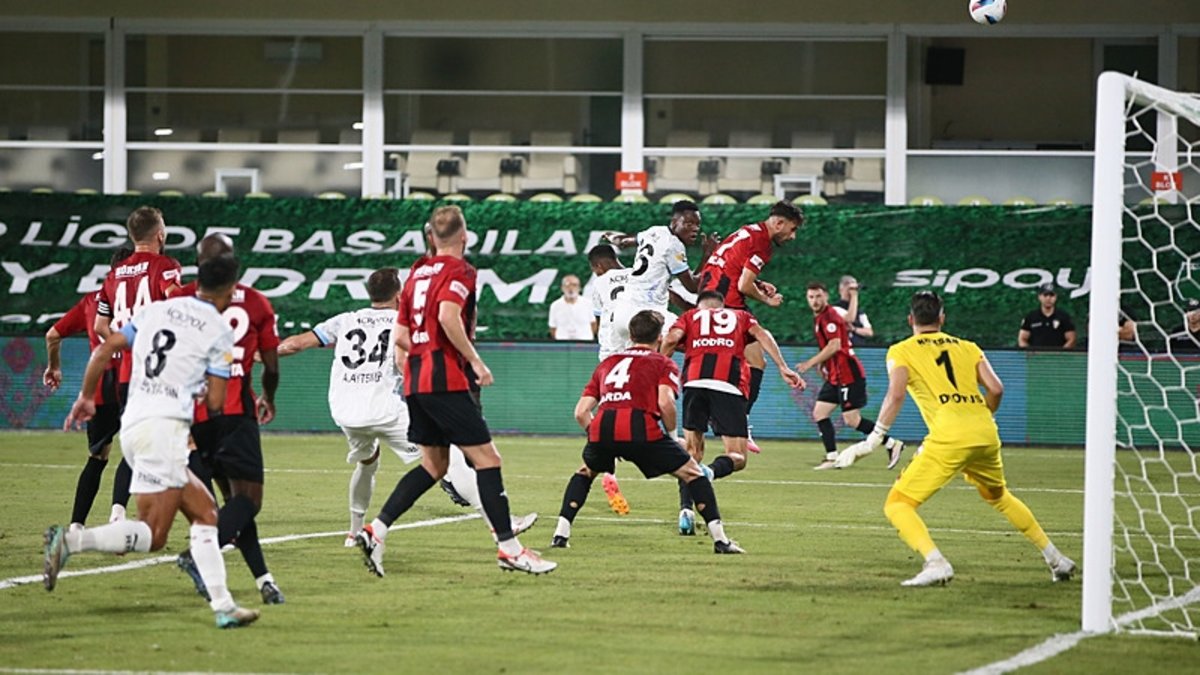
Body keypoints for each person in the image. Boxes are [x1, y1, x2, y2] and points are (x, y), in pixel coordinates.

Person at [47, 253, 260, 628]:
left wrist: (84, 397)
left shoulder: (156, 312)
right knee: (155, 533)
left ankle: (224, 606)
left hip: (134, 425)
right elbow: (214, 401)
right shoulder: (219, 329)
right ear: (230, 288)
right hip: (165, 430)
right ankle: (71, 542)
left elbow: (103, 349)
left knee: (206, 514)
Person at [355, 205, 555, 576]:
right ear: (464, 236)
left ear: (431, 236)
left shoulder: (414, 276)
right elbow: (448, 316)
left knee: (433, 465)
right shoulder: (460, 270)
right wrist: (475, 362)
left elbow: (400, 336)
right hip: (444, 379)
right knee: (487, 460)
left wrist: (416, 365)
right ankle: (510, 549)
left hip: (416, 381)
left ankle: (375, 530)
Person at [276, 266, 535, 546]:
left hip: (344, 411)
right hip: (384, 409)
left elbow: (293, 345)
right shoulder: (405, 321)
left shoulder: (345, 320)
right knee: (450, 460)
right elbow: (411, 357)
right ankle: (502, 525)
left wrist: (262, 354)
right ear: (400, 296)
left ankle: (353, 532)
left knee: (367, 463)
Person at [855, 290, 1076, 586]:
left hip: (949, 435)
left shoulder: (901, 350)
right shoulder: (969, 347)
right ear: (942, 319)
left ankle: (936, 562)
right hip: (984, 430)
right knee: (999, 496)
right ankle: (1056, 559)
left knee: (897, 504)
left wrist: (876, 435)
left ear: (911, 319)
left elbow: (895, 395)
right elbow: (996, 389)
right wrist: (982, 416)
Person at [550, 309, 744, 554]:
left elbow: (580, 412)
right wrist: (672, 439)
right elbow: (665, 403)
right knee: (694, 473)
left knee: (586, 472)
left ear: (631, 335)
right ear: (660, 337)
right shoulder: (663, 363)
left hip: (602, 428)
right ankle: (721, 541)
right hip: (641, 429)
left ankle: (560, 534)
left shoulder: (607, 363)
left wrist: (600, 435)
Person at [174, 234, 284, 606]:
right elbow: (270, 364)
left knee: (233, 502)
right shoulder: (254, 301)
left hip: (193, 416)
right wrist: (267, 397)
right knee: (249, 499)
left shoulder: (178, 301)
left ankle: (265, 580)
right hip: (234, 412)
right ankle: (198, 557)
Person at [660, 290, 804, 535]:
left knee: (692, 452)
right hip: (727, 387)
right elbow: (763, 335)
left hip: (694, 384)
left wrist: (658, 369)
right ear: (722, 306)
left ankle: (686, 510)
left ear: (700, 306)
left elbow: (672, 339)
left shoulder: (690, 317)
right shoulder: (740, 316)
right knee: (737, 457)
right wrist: (783, 366)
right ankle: (710, 472)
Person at [93, 206, 183, 522]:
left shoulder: (114, 274)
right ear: (160, 234)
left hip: (126, 372)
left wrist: (124, 342)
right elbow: (174, 301)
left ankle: (120, 512)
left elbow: (100, 326)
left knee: (139, 443)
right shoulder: (166, 266)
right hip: (157, 371)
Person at [697, 200, 804, 452]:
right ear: (778, 223)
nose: (792, 235)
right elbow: (744, 285)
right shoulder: (762, 243)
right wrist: (767, 299)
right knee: (757, 361)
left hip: (708, 297)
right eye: (791, 228)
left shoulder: (747, 231)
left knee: (724, 362)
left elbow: (733, 268)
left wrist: (759, 282)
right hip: (727, 303)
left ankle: (722, 418)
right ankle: (738, 421)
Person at [43, 247, 135, 532]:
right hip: (130, 379)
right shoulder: (141, 300)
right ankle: (117, 515)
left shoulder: (91, 301)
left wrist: (53, 367)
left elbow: (53, 335)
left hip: (99, 387)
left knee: (98, 457)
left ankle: (75, 526)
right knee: (135, 451)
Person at [796, 281, 904, 470]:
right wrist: (823, 364)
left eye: (818, 296)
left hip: (848, 373)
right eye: (811, 297)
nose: (815, 300)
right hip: (835, 376)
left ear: (826, 296)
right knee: (819, 413)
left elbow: (835, 345)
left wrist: (810, 362)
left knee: (852, 420)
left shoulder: (829, 316)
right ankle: (831, 457)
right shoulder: (820, 317)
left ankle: (891, 443)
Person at [603, 200, 714, 348]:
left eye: (697, 225)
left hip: (622, 313)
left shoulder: (654, 231)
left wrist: (610, 236)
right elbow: (693, 286)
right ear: (674, 222)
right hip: (647, 315)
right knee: (695, 341)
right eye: (689, 224)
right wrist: (707, 255)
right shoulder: (674, 245)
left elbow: (623, 241)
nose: (695, 229)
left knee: (634, 361)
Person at [585, 244, 636, 515]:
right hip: (637, 351)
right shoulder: (637, 275)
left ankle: (608, 470)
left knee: (606, 414)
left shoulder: (599, 283)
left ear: (597, 267)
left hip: (609, 356)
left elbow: (597, 320)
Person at [1018, 283, 1076, 349]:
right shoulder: (1031, 317)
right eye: (1045, 295)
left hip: (1057, 358)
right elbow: (1022, 339)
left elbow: (1071, 339)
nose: (1048, 298)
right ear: (1039, 297)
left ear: (1056, 297)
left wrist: (1060, 354)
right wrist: (1030, 352)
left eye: (1051, 295)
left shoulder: (1064, 317)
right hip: (1036, 357)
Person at [548, 274, 596, 340]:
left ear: (579, 288)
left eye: (574, 285)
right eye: (567, 285)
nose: (571, 288)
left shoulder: (588, 304)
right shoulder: (555, 305)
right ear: (562, 288)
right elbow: (552, 327)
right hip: (563, 344)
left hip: (584, 343)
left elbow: (593, 323)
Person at [832, 275, 873, 347]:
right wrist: (854, 296)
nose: (853, 292)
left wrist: (854, 329)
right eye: (850, 289)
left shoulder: (860, 312)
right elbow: (850, 318)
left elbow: (869, 332)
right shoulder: (834, 309)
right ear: (841, 289)